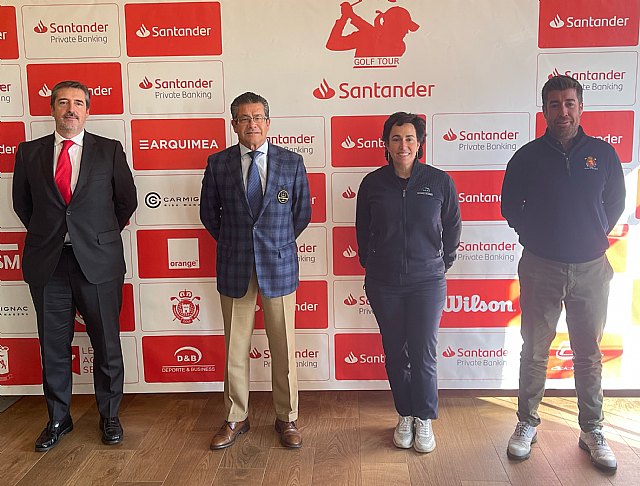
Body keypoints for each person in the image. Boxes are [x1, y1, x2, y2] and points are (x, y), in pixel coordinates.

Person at [501, 75, 626, 472]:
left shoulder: (602, 155)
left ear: (581, 107)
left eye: (570, 103)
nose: (563, 111)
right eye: (554, 104)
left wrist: (589, 236)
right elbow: (509, 206)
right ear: (544, 110)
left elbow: (615, 203)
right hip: (541, 266)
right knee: (534, 350)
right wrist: (535, 235)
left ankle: (592, 429)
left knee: (588, 353)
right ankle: (526, 423)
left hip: (591, 269)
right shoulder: (527, 157)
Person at [12, 80, 137, 451]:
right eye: (63, 102)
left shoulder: (109, 150)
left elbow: (126, 202)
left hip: (98, 262)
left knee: (106, 344)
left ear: (87, 111)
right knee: (53, 346)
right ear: (52, 108)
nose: (71, 109)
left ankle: (109, 416)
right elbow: (23, 205)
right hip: (48, 264)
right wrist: (54, 235)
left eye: (78, 103)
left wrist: (94, 236)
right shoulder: (29, 152)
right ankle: (57, 419)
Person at [200, 92, 311, 450]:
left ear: (268, 122)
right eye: (245, 118)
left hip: (278, 264)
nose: (252, 124)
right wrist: (237, 243)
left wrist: (273, 243)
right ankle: (236, 416)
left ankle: (287, 417)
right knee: (236, 347)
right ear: (234, 124)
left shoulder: (291, 162)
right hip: (235, 265)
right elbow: (208, 213)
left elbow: (301, 214)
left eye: (258, 117)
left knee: (284, 347)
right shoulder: (218, 163)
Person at [355, 112, 461, 453]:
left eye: (410, 139)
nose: (403, 145)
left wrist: (440, 264)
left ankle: (424, 417)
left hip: (427, 282)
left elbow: (452, 227)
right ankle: (405, 414)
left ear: (420, 144)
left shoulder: (439, 181)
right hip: (384, 283)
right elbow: (362, 230)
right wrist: (373, 265)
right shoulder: (372, 183)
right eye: (396, 139)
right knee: (396, 352)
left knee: (423, 351)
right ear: (386, 144)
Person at [326, 2, 419, 57]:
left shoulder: (399, 47)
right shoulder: (367, 35)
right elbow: (332, 44)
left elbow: (374, 35)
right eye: (403, 28)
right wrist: (349, 15)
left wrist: (347, 16)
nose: (407, 32)